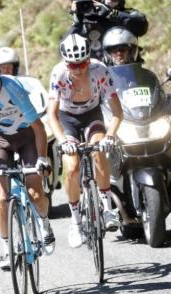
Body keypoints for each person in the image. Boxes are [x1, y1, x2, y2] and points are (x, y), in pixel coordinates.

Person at [0, 45, 54, 270]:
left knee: (35, 193)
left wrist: (42, 158)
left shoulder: (13, 88)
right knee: (2, 197)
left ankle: (44, 223)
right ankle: (6, 248)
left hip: (26, 136)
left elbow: (39, 127)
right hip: (0, 138)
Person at [47, 33, 123, 248]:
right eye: (72, 65)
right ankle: (76, 221)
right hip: (67, 118)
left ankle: (108, 209)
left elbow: (117, 112)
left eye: (82, 63)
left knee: (99, 152)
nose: (78, 68)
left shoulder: (99, 70)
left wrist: (110, 136)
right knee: (72, 167)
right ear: (65, 63)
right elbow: (51, 114)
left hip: (92, 115)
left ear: (89, 59)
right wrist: (62, 141)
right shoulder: (59, 73)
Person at [66, 0, 148, 60]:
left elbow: (141, 26)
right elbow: (64, 50)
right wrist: (77, 23)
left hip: (128, 73)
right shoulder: (86, 20)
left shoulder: (129, 15)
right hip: (98, 76)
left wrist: (111, 14)